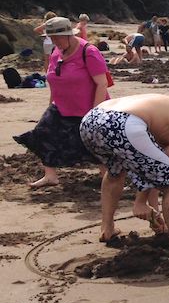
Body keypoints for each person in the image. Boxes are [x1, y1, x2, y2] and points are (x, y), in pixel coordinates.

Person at [79, 94, 169, 253]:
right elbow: (160, 168)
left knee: (115, 172)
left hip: (92, 120)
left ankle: (107, 229)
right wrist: (140, 202)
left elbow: (152, 170)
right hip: (122, 123)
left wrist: (153, 213)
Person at [14, 16, 110, 188]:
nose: (54, 41)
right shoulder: (56, 52)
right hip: (61, 106)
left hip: (88, 108)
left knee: (95, 144)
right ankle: (50, 176)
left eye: (57, 38)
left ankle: (108, 178)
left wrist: (95, 113)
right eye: (51, 38)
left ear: (68, 35)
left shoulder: (88, 51)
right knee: (43, 134)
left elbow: (102, 83)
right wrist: (50, 105)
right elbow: (54, 80)